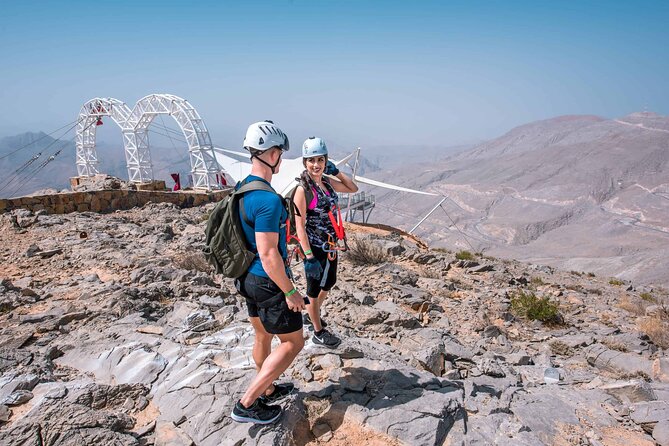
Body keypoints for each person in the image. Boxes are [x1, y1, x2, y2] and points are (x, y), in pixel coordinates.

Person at [231, 121, 306, 424]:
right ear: (272, 153)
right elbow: (268, 252)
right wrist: (290, 291)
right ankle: (248, 403)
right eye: (280, 153)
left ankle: (269, 389)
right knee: (292, 342)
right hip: (267, 279)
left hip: (246, 277)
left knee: (262, 334)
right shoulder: (268, 199)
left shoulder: (241, 189)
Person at [293, 137, 358, 348]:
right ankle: (318, 332)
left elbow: (352, 188)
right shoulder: (303, 190)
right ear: (304, 162)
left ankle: (312, 314)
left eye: (320, 160)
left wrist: (336, 171)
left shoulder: (327, 184)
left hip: (331, 245)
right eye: (311, 160)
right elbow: (299, 225)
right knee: (313, 291)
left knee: (328, 283)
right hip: (313, 248)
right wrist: (308, 255)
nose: (316, 165)